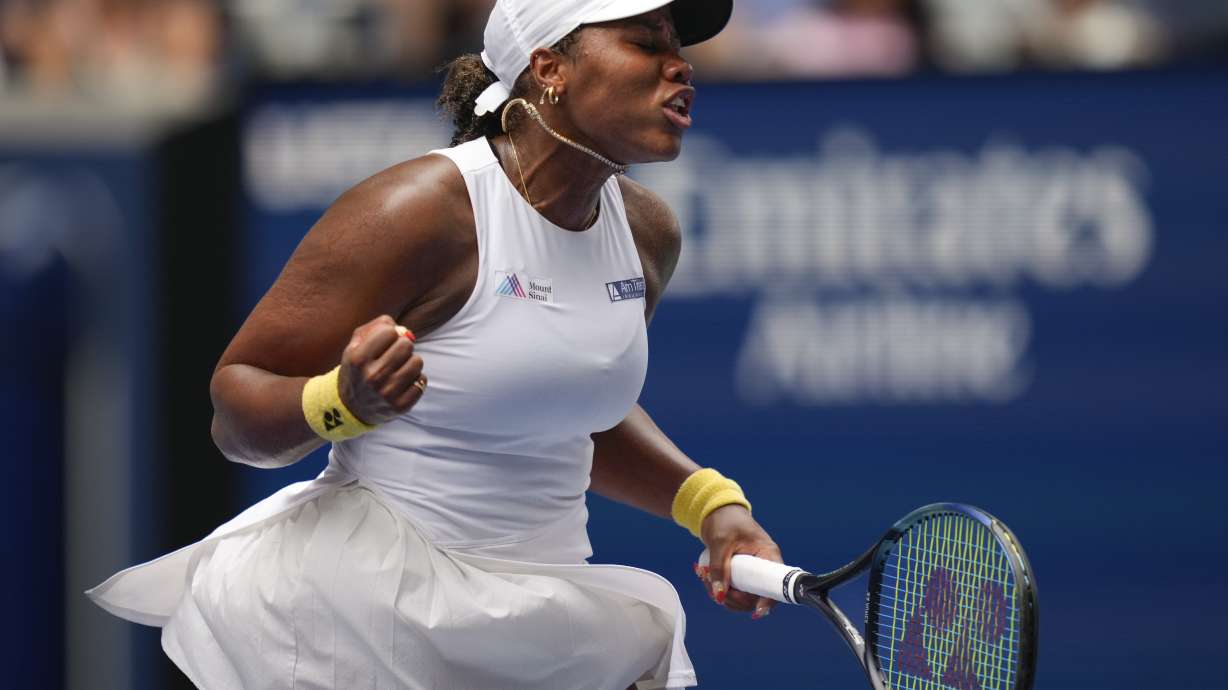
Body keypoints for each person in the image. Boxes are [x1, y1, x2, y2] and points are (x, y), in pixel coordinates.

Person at [87, 1, 783, 688]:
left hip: (535, 606)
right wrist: (342, 401)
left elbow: (569, 410)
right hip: (361, 613)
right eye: (646, 41)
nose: (680, 65)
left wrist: (714, 507)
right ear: (550, 68)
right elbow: (234, 414)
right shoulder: (419, 212)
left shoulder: (647, 235)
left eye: (677, 45)